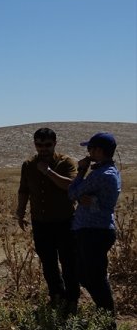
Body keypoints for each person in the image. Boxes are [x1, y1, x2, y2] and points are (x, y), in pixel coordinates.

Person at [16, 128, 78, 307]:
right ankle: (56, 297)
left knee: (68, 262)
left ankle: (72, 299)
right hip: (41, 222)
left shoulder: (66, 163)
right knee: (48, 262)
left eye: (47, 145)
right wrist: (20, 211)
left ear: (55, 143)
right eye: (39, 145)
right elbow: (24, 190)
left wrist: (48, 172)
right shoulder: (28, 165)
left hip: (65, 221)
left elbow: (70, 186)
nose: (43, 149)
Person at [68, 132, 121, 320]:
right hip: (92, 230)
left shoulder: (101, 175)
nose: (88, 152)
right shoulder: (106, 171)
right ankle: (104, 316)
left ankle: (107, 321)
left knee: (94, 278)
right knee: (86, 274)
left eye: (90, 148)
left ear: (99, 150)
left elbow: (72, 192)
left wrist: (81, 170)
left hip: (94, 232)